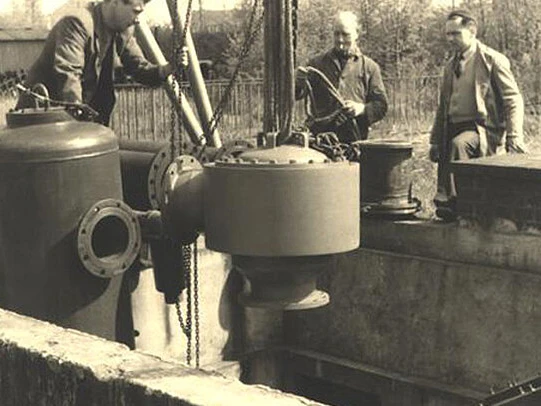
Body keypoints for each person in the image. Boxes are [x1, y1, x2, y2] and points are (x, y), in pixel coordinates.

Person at [16, 0, 179, 126]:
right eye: (135, 11)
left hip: (81, 122)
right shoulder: (77, 23)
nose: (137, 20)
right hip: (42, 121)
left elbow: (139, 69)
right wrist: (82, 122)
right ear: (114, 2)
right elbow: (68, 75)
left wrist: (170, 68)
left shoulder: (124, 31)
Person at [430, 10, 525, 221]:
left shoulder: (492, 60)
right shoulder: (449, 66)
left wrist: (514, 135)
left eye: (455, 33)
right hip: (452, 126)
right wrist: (435, 140)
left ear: (472, 31)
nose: (450, 39)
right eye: (447, 34)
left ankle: (459, 206)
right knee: (449, 146)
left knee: (459, 145)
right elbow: (442, 106)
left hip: (482, 129)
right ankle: (449, 206)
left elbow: (513, 99)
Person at [295, 11, 388, 143]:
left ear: (356, 34)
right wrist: (298, 82)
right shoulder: (316, 64)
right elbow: (297, 94)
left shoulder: (369, 67)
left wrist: (361, 109)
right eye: (336, 33)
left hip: (354, 140)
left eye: (345, 34)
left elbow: (381, 105)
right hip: (320, 140)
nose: (340, 39)